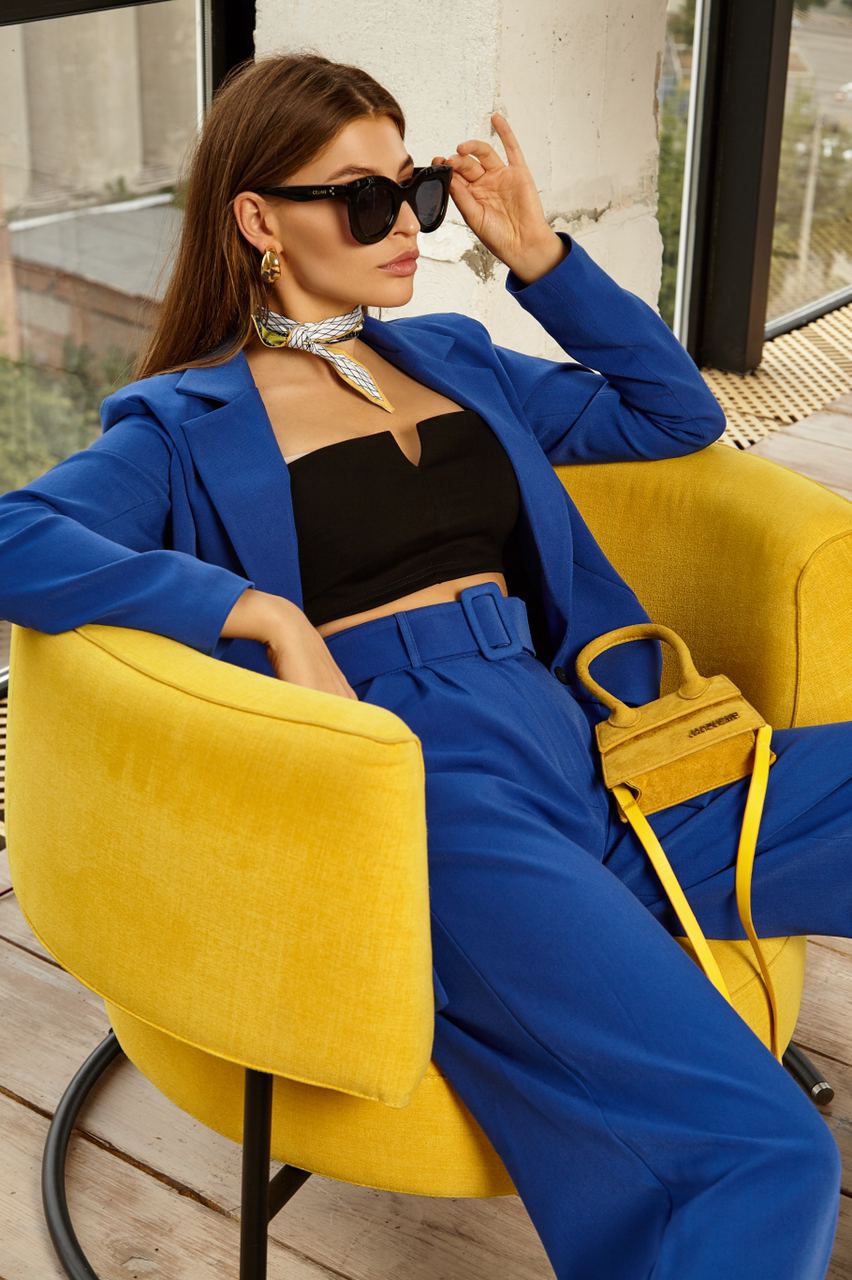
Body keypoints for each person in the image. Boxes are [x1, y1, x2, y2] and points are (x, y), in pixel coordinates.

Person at [1, 50, 849, 1280]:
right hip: (425, 785)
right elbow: (14, 533)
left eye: (416, 191)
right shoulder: (187, 424)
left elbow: (673, 412)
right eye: (363, 199)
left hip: (605, 746)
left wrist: (538, 253)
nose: (405, 224)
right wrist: (253, 612)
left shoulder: (452, 355)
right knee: (759, 1151)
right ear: (259, 220)